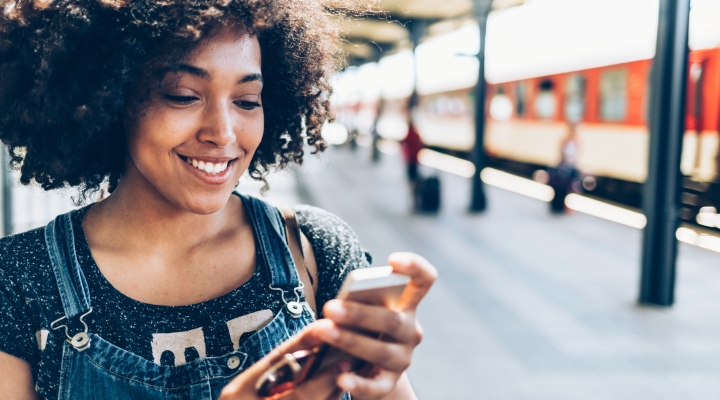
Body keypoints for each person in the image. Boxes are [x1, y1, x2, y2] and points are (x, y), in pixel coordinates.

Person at [0, 1, 437, 400]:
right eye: (183, 95)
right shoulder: (20, 280)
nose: (224, 133)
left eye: (247, 101)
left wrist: (381, 384)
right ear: (107, 98)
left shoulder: (313, 249)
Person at [549, 122, 580, 213]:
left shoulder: (574, 141)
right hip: (565, 167)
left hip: (569, 167)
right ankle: (558, 206)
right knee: (561, 188)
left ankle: (561, 206)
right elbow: (563, 155)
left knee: (566, 189)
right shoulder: (567, 141)